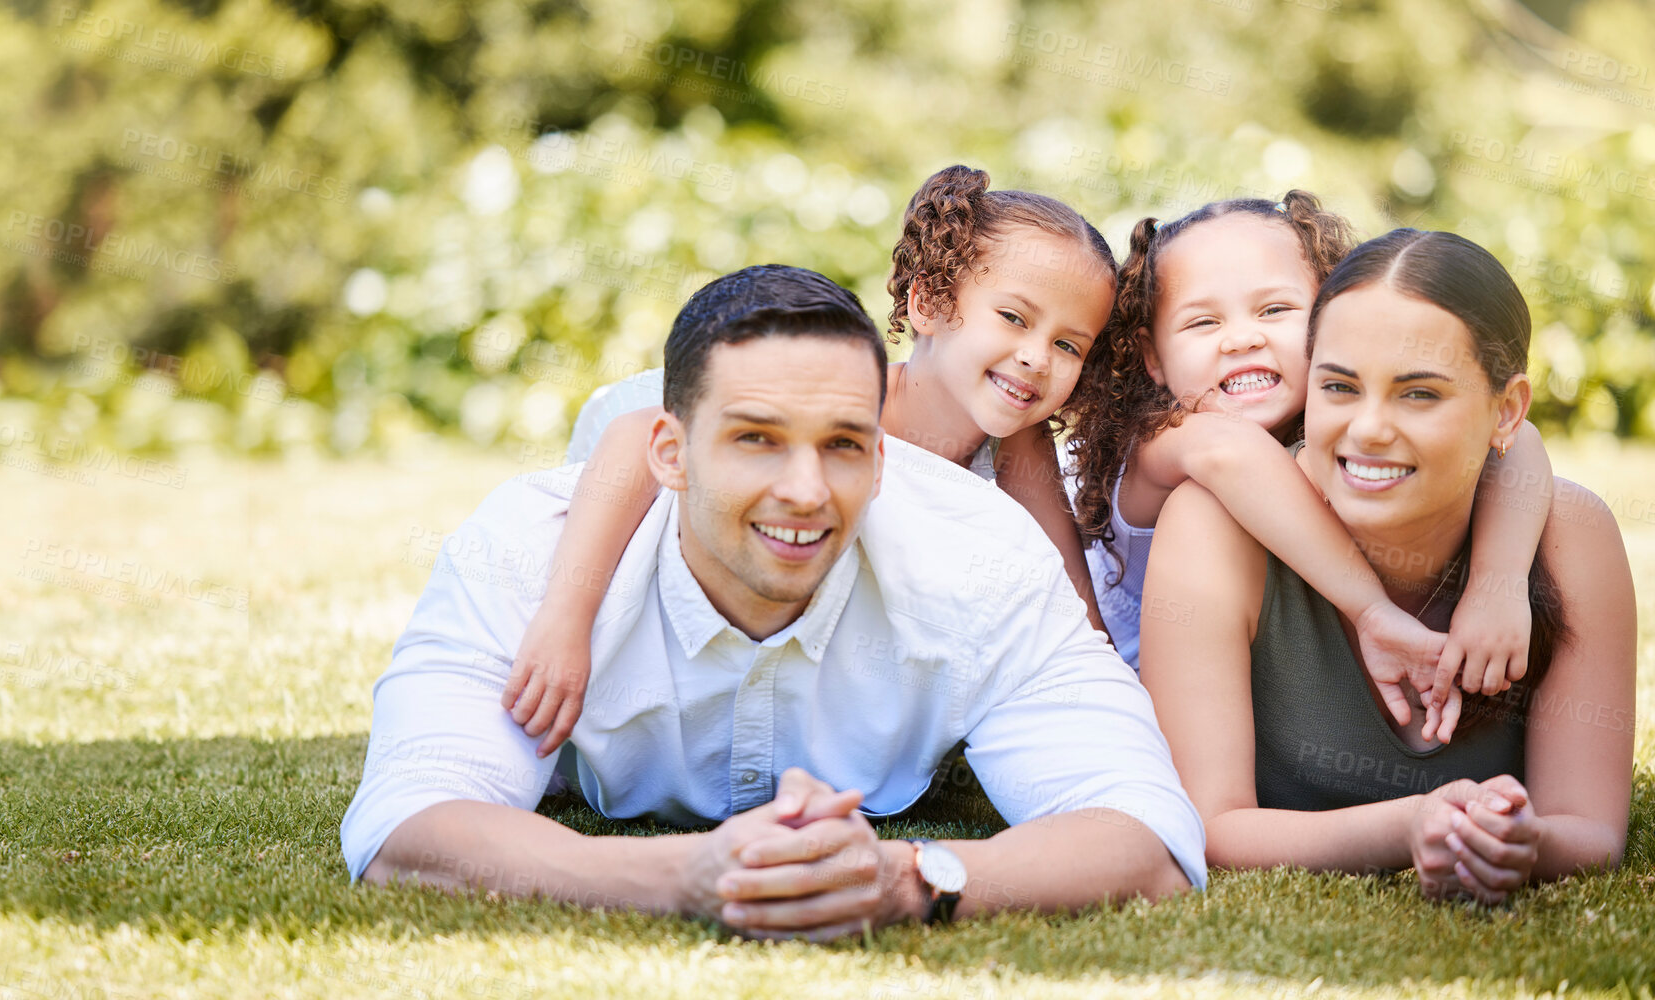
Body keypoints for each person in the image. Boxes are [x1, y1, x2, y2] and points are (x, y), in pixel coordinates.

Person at [341, 264, 1205, 940]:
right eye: (757, 439)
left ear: (880, 456)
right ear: (668, 455)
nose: (804, 490)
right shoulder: (527, 551)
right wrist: (680, 878)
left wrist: (910, 881)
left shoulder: (985, 559)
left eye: (842, 445)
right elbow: (407, 823)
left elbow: (1146, 831)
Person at [505, 165, 1118, 754]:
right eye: (1013, 318)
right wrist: (567, 619)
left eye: (1068, 345)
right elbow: (633, 439)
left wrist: (1102, 701)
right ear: (929, 302)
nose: (1038, 357)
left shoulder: (1018, 444)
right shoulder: (845, 403)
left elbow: (1071, 605)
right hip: (664, 452)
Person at [1137, 229, 1633, 903]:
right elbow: (1211, 825)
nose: (1368, 429)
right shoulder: (1215, 525)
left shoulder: (1569, 536)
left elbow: (1591, 831)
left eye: (1419, 394)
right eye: (1340, 386)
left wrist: (1522, 843)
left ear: (1507, 411)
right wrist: (1408, 828)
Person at [1061, 193, 1554, 742]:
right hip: (1160, 714)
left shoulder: (1340, 431)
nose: (1243, 337)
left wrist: (1497, 583)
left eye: (1274, 311)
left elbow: (1518, 442)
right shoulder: (1163, 442)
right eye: (1203, 322)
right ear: (1153, 357)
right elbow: (1234, 456)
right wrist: (1372, 611)